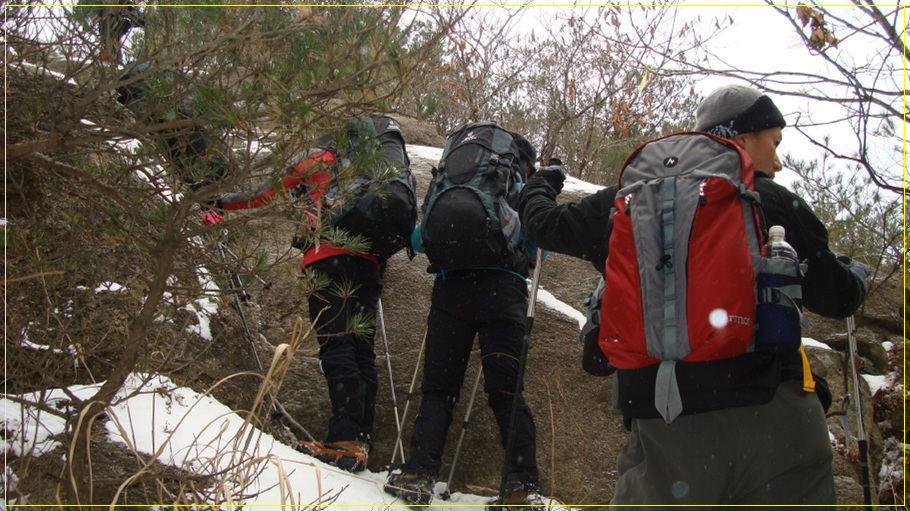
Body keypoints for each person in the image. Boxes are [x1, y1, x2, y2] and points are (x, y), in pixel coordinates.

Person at [518, 84, 869, 507]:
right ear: (739, 138)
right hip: (776, 420)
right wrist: (858, 275)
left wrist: (541, 183)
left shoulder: (632, 200)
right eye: (773, 144)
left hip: (667, 426)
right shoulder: (773, 201)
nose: (776, 163)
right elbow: (839, 297)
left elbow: (541, 225)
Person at [218, 118, 414, 473]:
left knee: (337, 345)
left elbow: (267, 193)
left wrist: (221, 202)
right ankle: (359, 439)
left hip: (327, 261)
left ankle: (342, 439)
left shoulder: (322, 160)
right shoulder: (376, 169)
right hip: (368, 264)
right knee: (361, 351)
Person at [384, 128, 546, 510]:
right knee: (506, 391)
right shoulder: (518, 191)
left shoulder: (452, 183)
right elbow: (538, 251)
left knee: (440, 389)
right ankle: (522, 486)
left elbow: (421, 239)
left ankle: (419, 474)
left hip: (451, 291)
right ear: (522, 163)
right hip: (503, 293)